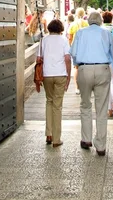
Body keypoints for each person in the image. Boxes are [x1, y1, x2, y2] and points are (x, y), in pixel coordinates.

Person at [70, 11, 113, 156]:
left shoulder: (80, 33)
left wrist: (78, 64)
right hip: (102, 69)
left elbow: (73, 52)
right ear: (100, 21)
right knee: (101, 108)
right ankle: (100, 145)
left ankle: (86, 139)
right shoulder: (106, 33)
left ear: (88, 21)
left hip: (84, 68)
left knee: (85, 104)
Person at [37, 19, 71, 148]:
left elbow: (38, 59)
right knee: (58, 106)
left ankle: (48, 134)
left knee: (49, 102)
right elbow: (67, 58)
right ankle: (57, 139)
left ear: (50, 28)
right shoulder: (63, 40)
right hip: (60, 74)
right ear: (61, 29)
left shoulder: (43, 40)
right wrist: (68, 76)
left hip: (47, 74)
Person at [67, 7, 88, 94]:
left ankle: (77, 88)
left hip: (75, 48)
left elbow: (70, 38)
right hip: (84, 49)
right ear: (84, 14)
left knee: (76, 68)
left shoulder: (72, 25)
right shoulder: (86, 24)